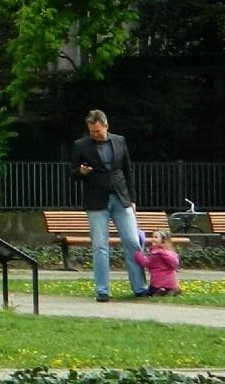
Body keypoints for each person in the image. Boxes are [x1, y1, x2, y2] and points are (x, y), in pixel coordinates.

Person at [70, 110, 150, 301]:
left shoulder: (119, 141)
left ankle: (140, 287)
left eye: (97, 131)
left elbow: (127, 170)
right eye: (91, 131)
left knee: (132, 241)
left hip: (121, 199)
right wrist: (80, 171)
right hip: (96, 202)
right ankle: (102, 290)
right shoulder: (80, 145)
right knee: (100, 246)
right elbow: (71, 173)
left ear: (106, 126)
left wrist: (132, 199)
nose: (94, 134)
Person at [137, 229, 182, 297]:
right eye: (153, 237)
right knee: (171, 286)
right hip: (171, 282)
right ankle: (173, 290)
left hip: (158, 282)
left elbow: (147, 263)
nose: (153, 239)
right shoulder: (171, 253)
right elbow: (175, 263)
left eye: (156, 237)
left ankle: (159, 290)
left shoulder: (156, 254)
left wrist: (138, 256)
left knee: (150, 292)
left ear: (162, 242)